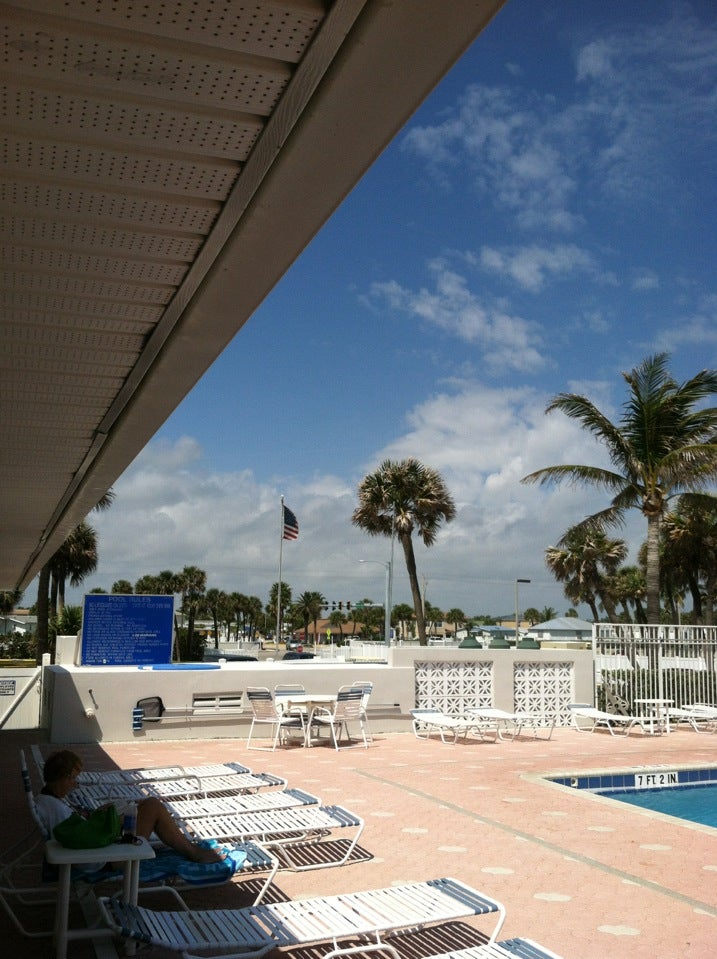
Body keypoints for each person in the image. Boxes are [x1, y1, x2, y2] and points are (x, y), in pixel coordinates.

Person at [35, 749, 224, 864]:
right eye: (72, 779)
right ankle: (193, 852)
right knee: (153, 805)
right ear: (61, 777)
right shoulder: (55, 807)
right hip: (103, 856)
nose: (74, 784)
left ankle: (189, 848)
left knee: (141, 805)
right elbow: (84, 839)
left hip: (100, 843)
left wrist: (102, 813)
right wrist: (112, 821)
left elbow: (79, 828)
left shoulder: (51, 798)